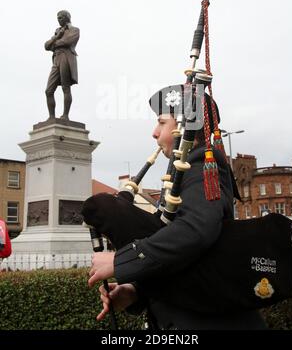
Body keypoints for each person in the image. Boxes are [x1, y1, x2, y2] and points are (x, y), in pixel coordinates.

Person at [83, 85, 267, 330]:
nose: (154, 132)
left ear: (184, 124)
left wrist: (120, 261)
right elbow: (184, 262)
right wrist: (135, 292)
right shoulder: (183, 175)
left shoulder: (203, 165)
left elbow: (195, 231)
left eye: (161, 122)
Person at [45, 10, 79, 121]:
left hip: (66, 57)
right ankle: (51, 117)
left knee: (66, 87)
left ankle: (65, 115)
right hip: (56, 58)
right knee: (49, 91)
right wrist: (56, 37)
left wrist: (54, 42)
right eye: (57, 17)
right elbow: (46, 46)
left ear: (67, 17)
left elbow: (66, 42)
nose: (58, 19)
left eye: (60, 17)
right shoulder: (57, 31)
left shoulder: (74, 30)